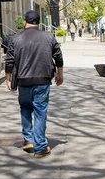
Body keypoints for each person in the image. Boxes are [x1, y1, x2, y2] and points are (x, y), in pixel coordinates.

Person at [5, 10, 64, 158]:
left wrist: (8, 78)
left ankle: (28, 140)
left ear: (25, 22)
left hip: (23, 80)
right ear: (38, 22)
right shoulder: (48, 37)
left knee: (25, 108)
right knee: (40, 111)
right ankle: (40, 147)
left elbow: (9, 60)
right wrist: (60, 74)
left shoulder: (16, 38)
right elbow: (58, 56)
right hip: (42, 79)